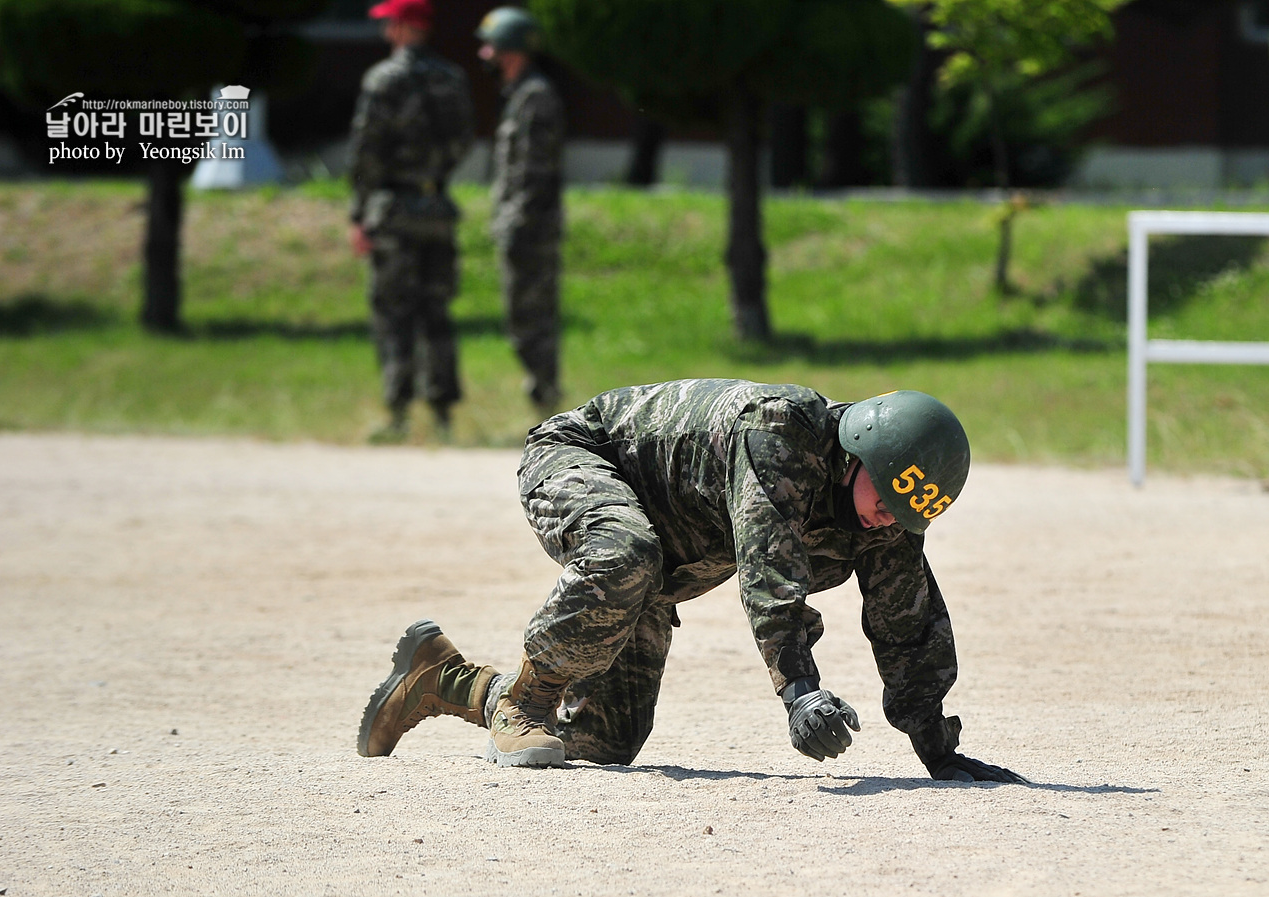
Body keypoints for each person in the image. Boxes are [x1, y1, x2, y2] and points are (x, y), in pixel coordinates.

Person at [357, 379, 1028, 783]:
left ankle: (439, 678)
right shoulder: (781, 433)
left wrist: (937, 745)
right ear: (859, 454)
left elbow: (904, 617)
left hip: (661, 555)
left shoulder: (890, 510)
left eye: (905, 512)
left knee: (605, 740)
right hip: (580, 461)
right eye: (885, 496)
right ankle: (524, 701)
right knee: (624, 552)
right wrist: (800, 693)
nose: (887, 518)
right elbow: (772, 575)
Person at [347, 0, 474, 439]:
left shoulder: (384, 79)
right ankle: (443, 418)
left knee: (394, 313)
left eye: (388, 24)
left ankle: (398, 414)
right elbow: (463, 142)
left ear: (403, 27)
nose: (385, 33)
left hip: (394, 211)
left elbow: (366, 149)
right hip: (437, 208)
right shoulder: (453, 78)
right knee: (436, 312)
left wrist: (359, 211)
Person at [475, 7, 565, 413]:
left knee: (532, 319)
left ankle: (547, 402)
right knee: (522, 319)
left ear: (510, 51)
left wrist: (515, 223)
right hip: (522, 225)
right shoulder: (520, 96)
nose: (484, 54)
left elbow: (534, 172)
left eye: (490, 46)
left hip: (531, 229)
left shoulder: (536, 98)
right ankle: (543, 397)